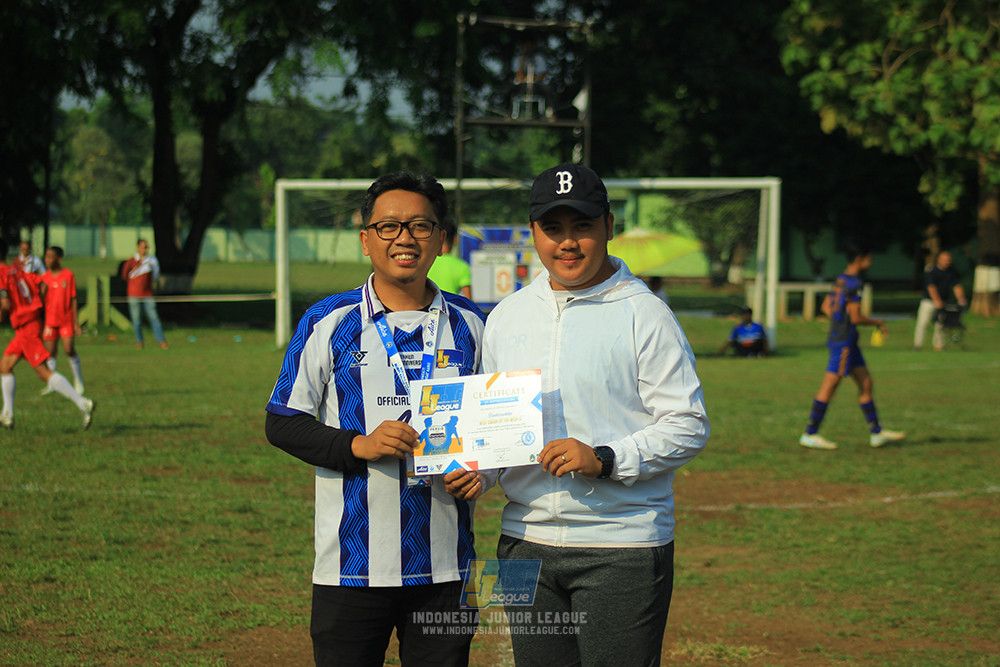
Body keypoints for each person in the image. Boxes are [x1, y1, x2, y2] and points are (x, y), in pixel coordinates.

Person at [445, 163, 709, 666]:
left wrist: (606, 457)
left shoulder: (645, 313)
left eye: (582, 227)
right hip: (523, 544)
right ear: (534, 234)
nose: (568, 243)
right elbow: (500, 432)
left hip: (622, 545)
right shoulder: (507, 315)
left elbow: (688, 424)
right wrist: (479, 469)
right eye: (553, 229)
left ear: (608, 227)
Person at [265, 172, 487, 666]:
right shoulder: (328, 321)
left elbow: (494, 427)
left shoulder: (474, 324)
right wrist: (356, 445)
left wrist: (483, 472)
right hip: (349, 568)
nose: (404, 238)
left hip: (446, 570)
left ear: (441, 240)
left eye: (420, 226)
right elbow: (282, 420)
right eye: (388, 227)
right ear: (366, 239)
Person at [798, 244, 905, 450]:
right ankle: (810, 434)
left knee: (866, 383)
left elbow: (826, 307)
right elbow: (855, 317)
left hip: (846, 340)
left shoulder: (841, 280)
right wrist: (877, 322)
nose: (871, 262)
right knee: (829, 387)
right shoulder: (855, 283)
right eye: (869, 258)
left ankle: (876, 432)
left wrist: (839, 320)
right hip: (844, 342)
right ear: (859, 259)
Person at [0, 238, 94, 430]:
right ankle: (7, 415)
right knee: (5, 365)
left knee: (43, 372)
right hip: (28, 324)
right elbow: (39, 282)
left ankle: (83, 404)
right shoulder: (15, 271)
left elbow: (5, 304)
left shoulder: (2, 273)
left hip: (26, 326)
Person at [40, 246, 86, 395]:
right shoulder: (44, 278)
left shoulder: (68, 275)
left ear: (59, 259)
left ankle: (78, 380)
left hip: (65, 320)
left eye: (50, 256)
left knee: (68, 349)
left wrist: (75, 322)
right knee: (51, 352)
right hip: (50, 321)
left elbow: (73, 298)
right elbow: (40, 301)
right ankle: (52, 384)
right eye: (46, 256)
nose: (47, 260)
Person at [913, 250, 967, 351]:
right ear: (939, 260)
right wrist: (937, 301)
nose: (947, 262)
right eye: (944, 260)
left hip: (943, 301)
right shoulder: (932, 271)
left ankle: (939, 345)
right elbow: (931, 287)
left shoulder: (952, 271)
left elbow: (957, 286)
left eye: (948, 260)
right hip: (929, 301)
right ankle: (918, 344)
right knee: (923, 323)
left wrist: (961, 299)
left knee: (941, 324)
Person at [121, 239, 168, 349]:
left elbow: (155, 275)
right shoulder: (131, 261)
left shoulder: (152, 260)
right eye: (143, 247)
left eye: (146, 247)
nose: (145, 249)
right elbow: (124, 276)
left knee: (154, 318)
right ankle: (139, 341)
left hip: (148, 294)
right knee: (136, 319)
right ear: (138, 247)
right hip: (133, 295)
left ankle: (161, 341)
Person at [427, 220, 472, 298]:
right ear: (455, 240)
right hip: (450, 308)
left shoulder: (426, 262)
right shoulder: (462, 266)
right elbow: (468, 300)